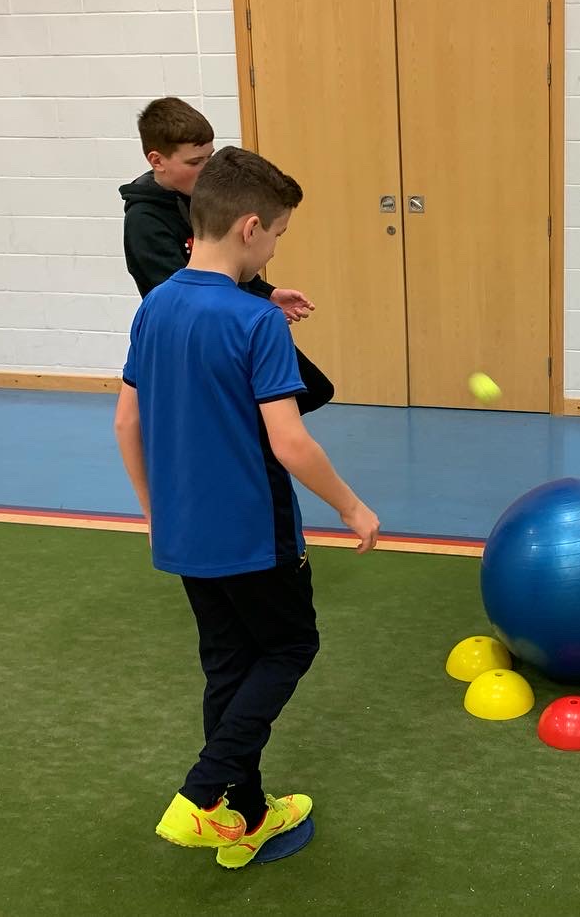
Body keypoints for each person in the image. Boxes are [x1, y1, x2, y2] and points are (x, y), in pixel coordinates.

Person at [113, 145, 379, 870]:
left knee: (229, 665)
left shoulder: (155, 305)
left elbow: (126, 423)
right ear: (251, 227)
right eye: (280, 234)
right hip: (256, 534)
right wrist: (352, 507)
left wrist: (154, 511)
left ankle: (246, 815)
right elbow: (289, 442)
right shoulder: (257, 323)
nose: (277, 249)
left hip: (184, 532)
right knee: (291, 646)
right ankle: (203, 792)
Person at [120, 97, 334, 414]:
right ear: (157, 160)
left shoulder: (199, 196)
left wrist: (266, 293)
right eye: (195, 162)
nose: (206, 170)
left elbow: (228, 260)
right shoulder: (144, 221)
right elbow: (182, 293)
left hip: (232, 319)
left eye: (210, 157)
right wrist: (248, 311)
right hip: (203, 338)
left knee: (312, 390)